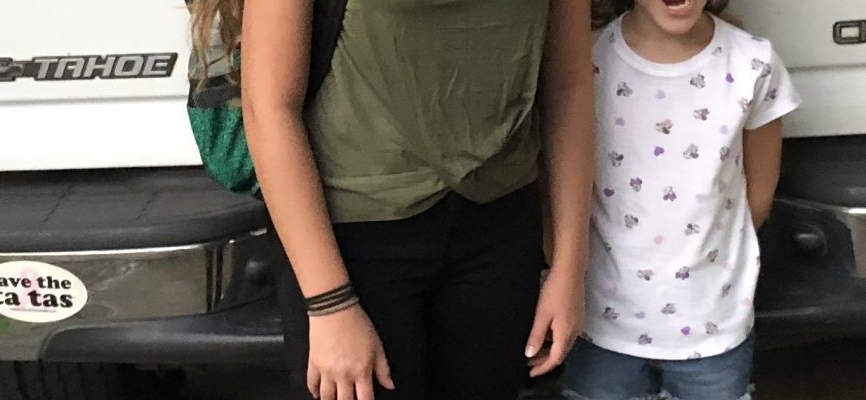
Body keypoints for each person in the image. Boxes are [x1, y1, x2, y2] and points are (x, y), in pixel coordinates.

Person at [212, 0, 596, 399]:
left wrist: (570, 270)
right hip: (350, 240)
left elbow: (568, 87)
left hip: (499, 230)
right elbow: (268, 108)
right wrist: (329, 302)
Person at [564, 0, 799, 398]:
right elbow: (560, 184)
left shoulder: (753, 63)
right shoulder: (585, 63)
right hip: (601, 325)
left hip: (714, 329)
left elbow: (759, 194)